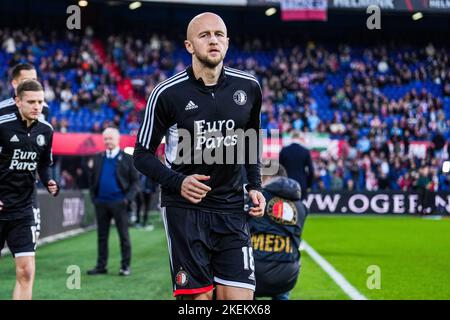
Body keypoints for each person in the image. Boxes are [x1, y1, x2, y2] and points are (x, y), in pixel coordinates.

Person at [133, 12, 265, 300]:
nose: (213, 40)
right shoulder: (166, 94)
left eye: (219, 34)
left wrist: (255, 185)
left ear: (227, 43)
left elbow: (251, 140)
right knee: (198, 302)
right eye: (204, 35)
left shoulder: (249, 87)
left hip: (232, 209)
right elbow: (141, 155)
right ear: (189, 46)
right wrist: (178, 181)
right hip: (184, 210)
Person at [0, 80, 59, 300]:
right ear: (17, 101)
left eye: (41, 102)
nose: (37, 106)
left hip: (23, 209)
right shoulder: (2, 125)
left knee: (26, 271)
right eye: (31, 102)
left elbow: (43, 163)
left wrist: (48, 181)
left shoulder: (46, 130)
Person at [0, 63, 51, 246]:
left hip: (28, 188)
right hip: (5, 187)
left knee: (32, 239)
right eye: (26, 80)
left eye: (34, 80)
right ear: (15, 84)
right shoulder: (2, 111)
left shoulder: (44, 109)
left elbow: (42, 144)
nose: (31, 83)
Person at [248, 164, 308, 300]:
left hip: (254, 272)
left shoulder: (256, 199)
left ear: (268, 177)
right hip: (286, 277)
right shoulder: (301, 206)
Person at [87, 127, 139, 276]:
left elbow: (136, 182)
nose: (108, 141)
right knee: (101, 237)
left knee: (124, 236)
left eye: (111, 138)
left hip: (119, 203)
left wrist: (127, 200)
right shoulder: (98, 157)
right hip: (101, 203)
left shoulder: (128, 158)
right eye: (106, 139)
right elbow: (91, 180)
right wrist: (94, 198)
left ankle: (125, 267)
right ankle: (101, 266)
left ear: (117, 140)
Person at [279, 131, 314, 199]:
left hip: (286, 184)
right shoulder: (305, 151)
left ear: (291, 138)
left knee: (287, 206)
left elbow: (279, 169)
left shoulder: (284, 150)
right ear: (300, 138)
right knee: (299, 207)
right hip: (301, 184)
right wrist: (309, 185)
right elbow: (311, 171)